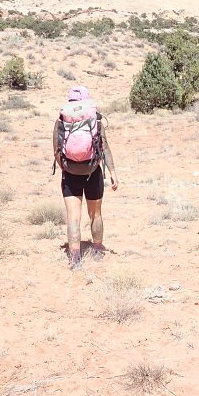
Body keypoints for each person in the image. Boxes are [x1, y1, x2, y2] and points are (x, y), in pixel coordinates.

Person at [53, 85, 118, 268]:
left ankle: (75, 258)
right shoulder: (94, 119)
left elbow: (57, 151)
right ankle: (97, 250)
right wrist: (112, 172)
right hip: (93, 171)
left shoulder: (61, 121)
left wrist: (66, 169)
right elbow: (104, 147)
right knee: (95, 214)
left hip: (70, 174)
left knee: (73, 217)